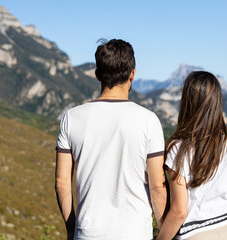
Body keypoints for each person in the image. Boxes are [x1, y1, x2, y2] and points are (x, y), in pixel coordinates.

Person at [55, 39, 168, 240]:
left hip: (88, 232)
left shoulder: (71, 118)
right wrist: (164, 231)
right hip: (136, 233)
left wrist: (72, 229)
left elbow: (62, 183)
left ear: (97, 75)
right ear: (132, 73)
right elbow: (157, 186)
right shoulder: (149, 120)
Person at [157, 71, 227, 240]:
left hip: (196, 234)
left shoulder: (179, 149)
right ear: (218, 101)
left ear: (187, 103)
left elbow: (179, 212)